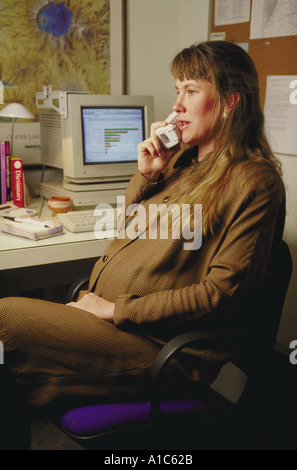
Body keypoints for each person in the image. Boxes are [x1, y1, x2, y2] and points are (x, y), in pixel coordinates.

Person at [0, 41, 285, 446]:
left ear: (229, 102)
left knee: (5, 319)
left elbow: (220, 295)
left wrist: (117, 309)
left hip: (160, 347)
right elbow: (126, 238)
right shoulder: (183, 165)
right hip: (113, 324)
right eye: (177, 91)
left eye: (191, 90)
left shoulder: (253, 182)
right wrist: (148, 174)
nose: (177, 106)